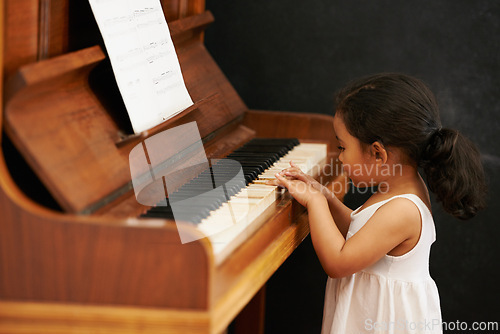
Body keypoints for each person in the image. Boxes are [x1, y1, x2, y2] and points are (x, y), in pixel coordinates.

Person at [270, 73, 486, 333]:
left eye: (342, 147)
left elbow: (338, 263)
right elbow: (360, 230)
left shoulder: (404, 209)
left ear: (377, 153)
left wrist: (315, 202)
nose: (339, 158)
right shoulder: (397, 188)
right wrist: (325, 197)